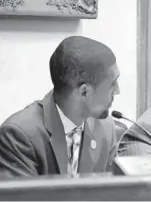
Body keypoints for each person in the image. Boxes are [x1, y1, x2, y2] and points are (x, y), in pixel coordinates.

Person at [0, 36, 120, 177]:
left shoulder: (105, 129)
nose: (117, 91)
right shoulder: (19, 136)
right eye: (112, 83)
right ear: (84, 92)